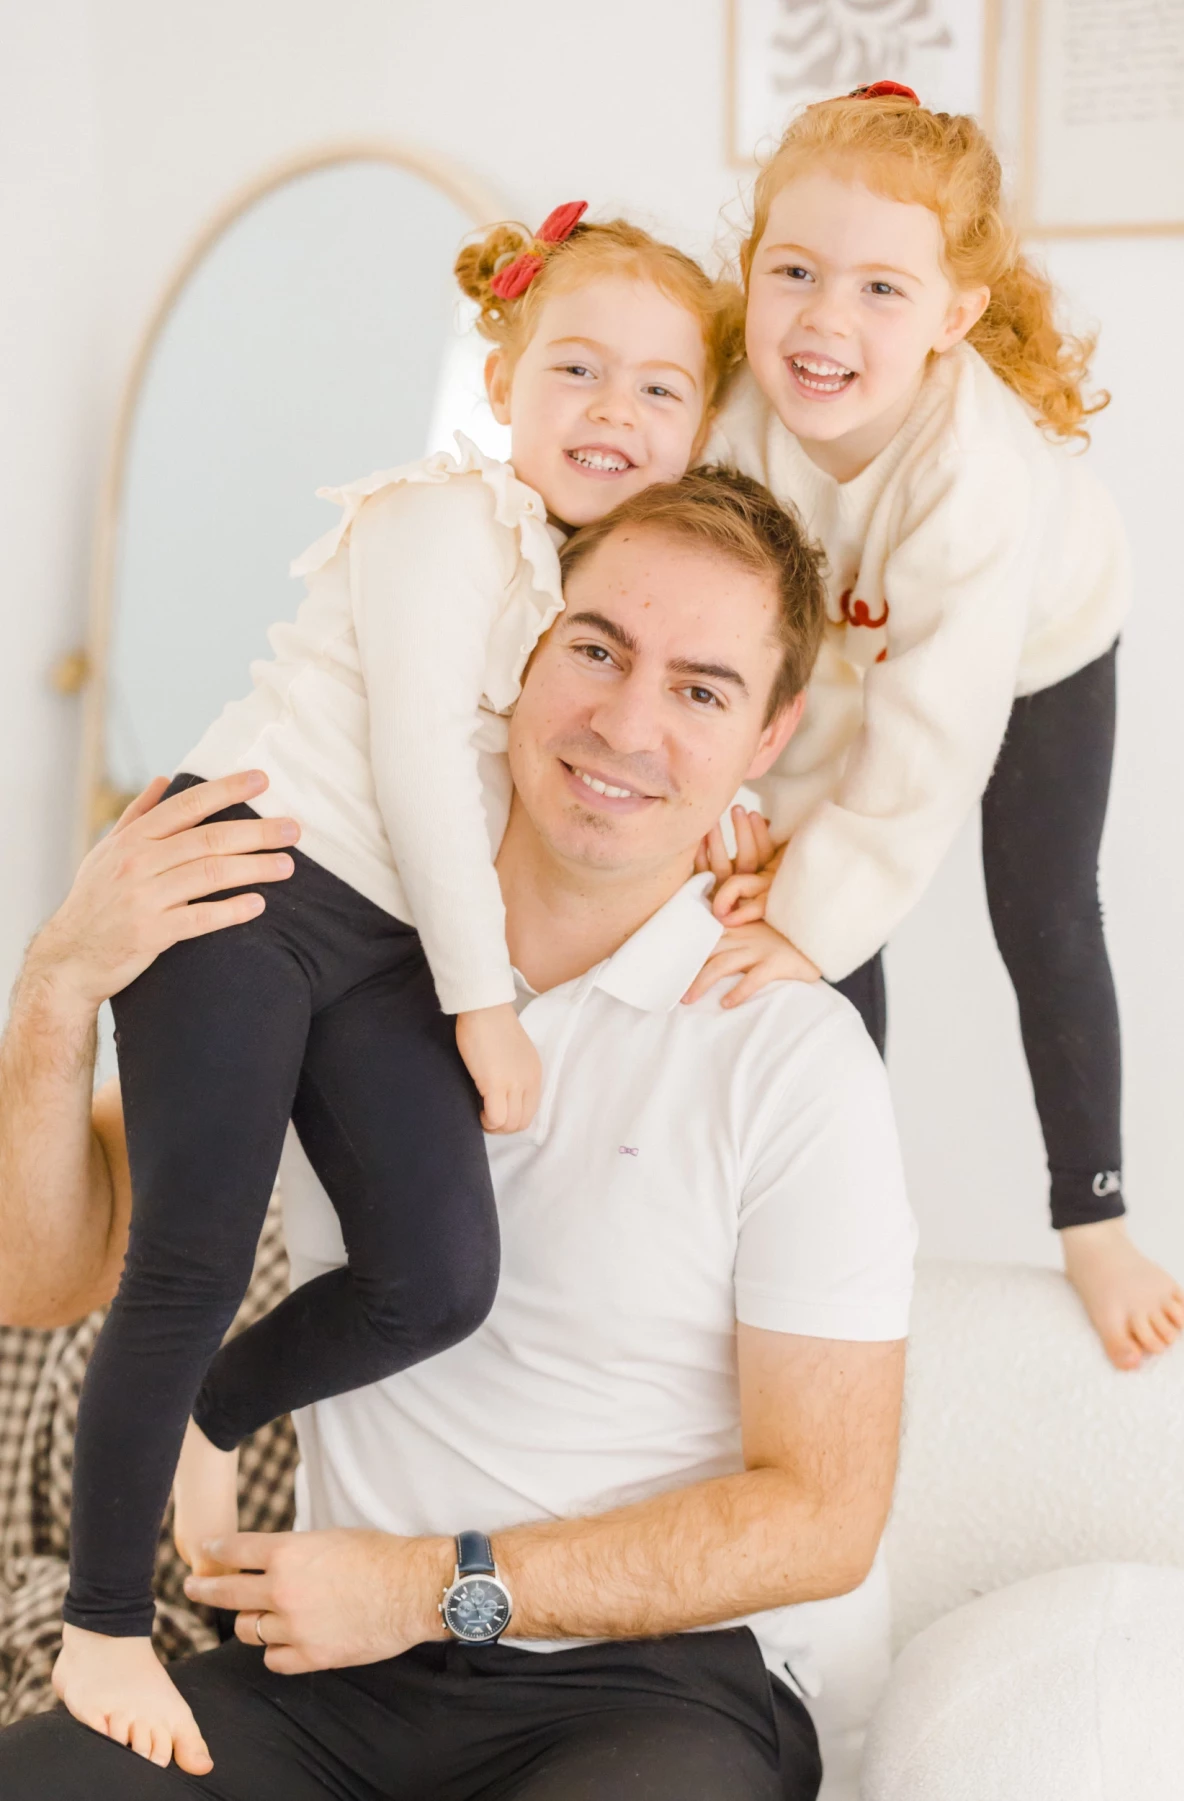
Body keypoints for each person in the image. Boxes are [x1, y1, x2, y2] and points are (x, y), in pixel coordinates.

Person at [0, 466, 916, 1801]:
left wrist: (440, 1588)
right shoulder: (339, 951)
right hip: (323, 1679)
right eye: (595, 649)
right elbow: (44, 1278)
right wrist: (52, 993)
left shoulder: (786, 1053)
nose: (625, 722)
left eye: (701, 689)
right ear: (520, 650)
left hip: (652, 1688)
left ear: (766, 739)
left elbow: (824, 1517)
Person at [51, 205, 753, 1762]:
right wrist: (487, 1002)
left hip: (374, 944)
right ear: (502, 379)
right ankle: (103, 1629)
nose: (614, 414)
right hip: (245, 878)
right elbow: (431, 790)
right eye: (577, 369)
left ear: (700, 427)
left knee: (438, 1273)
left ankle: (214, 1411)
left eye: (657, 390)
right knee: (192, 1245)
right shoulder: (440, 524)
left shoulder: (585, 589)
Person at [704, 82, 1184, 1371]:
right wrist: (756, 846)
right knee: (796, 915)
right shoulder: (737, 429)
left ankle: (1095, 1214)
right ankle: (830, 1221)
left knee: (1041, 908)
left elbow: (927, 753)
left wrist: (812, 913)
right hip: (852, 643)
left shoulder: (973, 479)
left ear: (953, 317)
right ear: (749, 274)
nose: (823, 319)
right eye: (795, 272)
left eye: (880, 290)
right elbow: (749, 650)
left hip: (1034, 643)